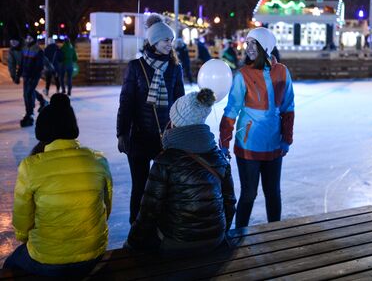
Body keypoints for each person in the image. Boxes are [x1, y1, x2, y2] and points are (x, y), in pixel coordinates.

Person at [3, 94, 112, 278]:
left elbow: (22, 223)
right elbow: (106, 209)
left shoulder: (31, 167)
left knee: (10, 263)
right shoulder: (98, 161)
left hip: (48, 260)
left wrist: (26, 239)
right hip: (92, 253)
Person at [126, 88, 236, 254]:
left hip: (177, 242)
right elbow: (229, 203)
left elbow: (149, 211)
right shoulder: (219, 157)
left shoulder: (166, 160)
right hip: (215, 239)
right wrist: (219, 232)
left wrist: (132, 243)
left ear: (176, 122)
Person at [219, 27, 295, 228]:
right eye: (248, 42)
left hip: (273, 144)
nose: (249, 47)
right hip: (249, 146)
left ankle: (275, 234)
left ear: (266, 47)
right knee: (248, 194)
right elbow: (231, 110)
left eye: (254, 43)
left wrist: (286, 138)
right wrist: (224, 141)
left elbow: (288, 107)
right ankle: (239, 233)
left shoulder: (282, 72)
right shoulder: (243, 75)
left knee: (273, 193)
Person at [117, 13, 185, 224]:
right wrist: (121, 133)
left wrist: (181, 131)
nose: (170, 44)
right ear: (154, 41)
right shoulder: (136, 67)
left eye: (171, 40)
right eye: (166, 40)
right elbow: (126, 102)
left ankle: (161, 226)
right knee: (140, 186)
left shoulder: (175, 67)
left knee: (165, 186)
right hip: (139, 137)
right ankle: (136, 228)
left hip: (166, 137)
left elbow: (179, 101)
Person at [15, 35, 48, 127]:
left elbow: (39, 66)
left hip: (34, 76)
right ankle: (43, 101)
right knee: (28, 92)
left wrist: (34, 75)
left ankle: (29, 114)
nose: (28, 39)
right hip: (26, 75)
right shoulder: (25, 48)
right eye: (27, 38)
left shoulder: (38, 50)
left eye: (30, 38)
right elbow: (21, 63)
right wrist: (18, 75)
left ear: (34, 39)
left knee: (28, 93)